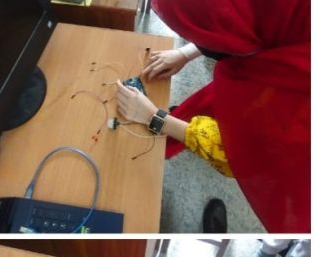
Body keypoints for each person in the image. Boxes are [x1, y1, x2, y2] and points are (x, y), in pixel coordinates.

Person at [115, 0, 310, 233]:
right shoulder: (293, 19)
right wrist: (186, 53)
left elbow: (242, 155)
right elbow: (245, 17)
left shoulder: (293, 102)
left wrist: (154, 118)